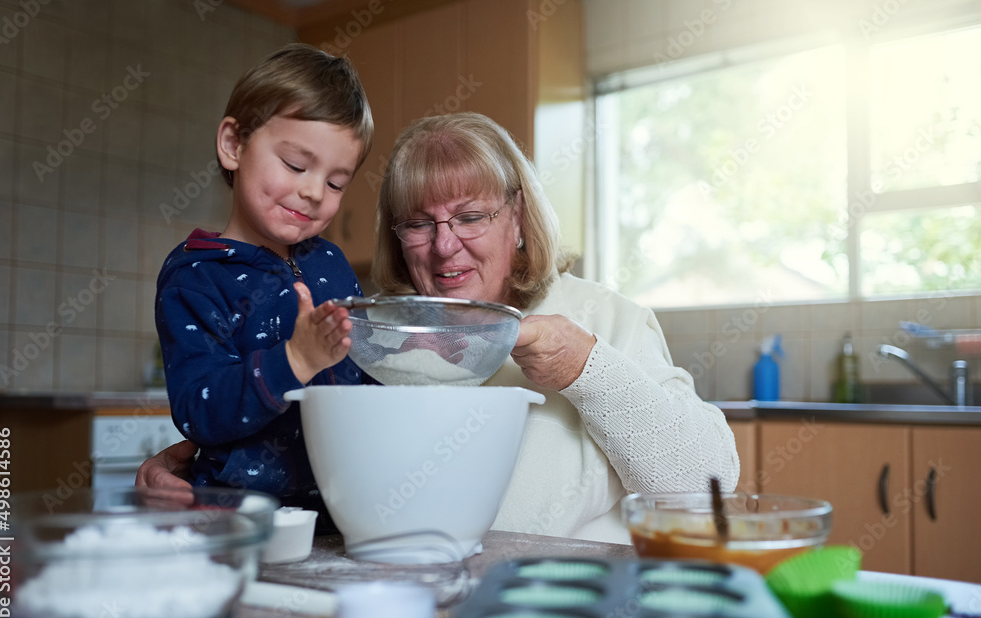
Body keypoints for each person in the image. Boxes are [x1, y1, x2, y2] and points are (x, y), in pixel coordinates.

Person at [142, 111, 739, 544]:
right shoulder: (384, 336)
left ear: (520, 219)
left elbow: (704, 487)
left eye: (471, 216)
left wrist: (588, 367)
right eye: (418, 225)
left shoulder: (605, 319)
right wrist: (197, 462)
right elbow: (322, 435)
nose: (445, 245)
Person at [152, 44, 373, 529]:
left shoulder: (331, 262)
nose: (314, 191)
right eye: (296, 165)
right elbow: (199, 410)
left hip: (343, 512)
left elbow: (364, 372)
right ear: (233, 145)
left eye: (336, 183)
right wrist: (295, 360)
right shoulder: (196, 277)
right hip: (238, 522)